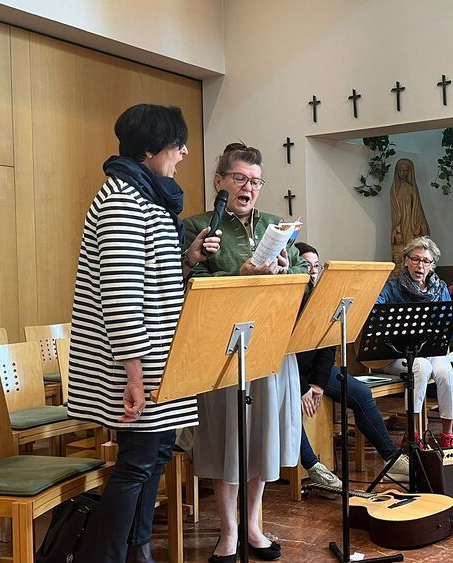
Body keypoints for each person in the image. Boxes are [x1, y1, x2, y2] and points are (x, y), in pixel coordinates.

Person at [67, 103, 220, 563]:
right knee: (136, 463)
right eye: (177, 145)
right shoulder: (121, 201)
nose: (184, 153)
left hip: (158, 354)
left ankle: (139, 549)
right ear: (150, 149)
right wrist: (134, 374)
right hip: (138, 360)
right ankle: (112, 555)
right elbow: (121, 295)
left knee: (155, 457)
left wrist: (189, 258)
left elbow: (154, 279)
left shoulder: (146, 197)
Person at [182, 142, 306, 563]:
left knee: (260, 440)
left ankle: (253, 524)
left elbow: (304, 273)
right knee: (226, 441)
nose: (248, 187)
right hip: (223, 351)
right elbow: (188, 284)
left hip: (272, 346)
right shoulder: (197, 226)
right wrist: (240, 273)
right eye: (239, 178)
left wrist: (288, 269)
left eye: (255, 181)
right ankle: (228, 531)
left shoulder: (275, 225)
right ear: (219, 181)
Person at [292, 242, 409, 487]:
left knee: (361, 393)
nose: (312, 271)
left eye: (316, 266)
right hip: (288, 375)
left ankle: (392, 459)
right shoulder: (288, 300)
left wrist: (318, 384)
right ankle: (314, 468)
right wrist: (302, 388)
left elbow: (328, 346)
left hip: (315, 372)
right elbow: (283, 357)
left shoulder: (322, 299)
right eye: (306, 265)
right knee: (287, 408)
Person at [376, 236, 453, 449]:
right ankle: (411, 434)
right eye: (415, 259)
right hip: (396, 354)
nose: (420, 265)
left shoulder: (440, 288)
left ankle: (448, 434)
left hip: (430, 351)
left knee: (445, 372)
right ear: (406, 260)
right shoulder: (392, 287)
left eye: (426, 261)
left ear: (432, 265)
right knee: (421, 367)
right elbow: (374, 312)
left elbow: (446, 329)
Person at [389, 158, 430, 272]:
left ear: (409, 172)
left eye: (405, 171)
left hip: (411, 224)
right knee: (399, 249)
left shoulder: (411, 189)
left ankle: (411, 270)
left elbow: (417, 208)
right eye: (399, 170)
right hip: (399, 224)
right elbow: (394, 211)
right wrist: (397, 228)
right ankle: (399, 271)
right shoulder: (394, 190)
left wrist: (420, 223)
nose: (402, 173)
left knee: (412, 247)